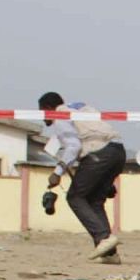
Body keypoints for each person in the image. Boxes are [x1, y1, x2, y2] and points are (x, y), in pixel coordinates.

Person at [38, 92, 126, 262]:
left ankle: (103, 238)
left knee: (75, 197)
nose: (43, 119)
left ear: (48, 109)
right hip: (117, 151)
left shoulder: (60, 115)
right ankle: (110, 254)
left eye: (42, 113)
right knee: (94, 200)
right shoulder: (80, 106)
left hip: (99, 154)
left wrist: (58, 172)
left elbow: (73, 146)